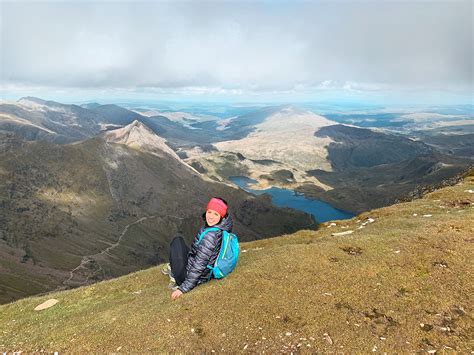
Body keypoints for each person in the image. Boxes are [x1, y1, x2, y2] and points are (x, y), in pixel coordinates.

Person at [162, 197, 233, 300]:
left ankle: (174, 276)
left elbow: (199, 265)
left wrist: (183, 288)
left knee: (177, 243)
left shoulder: (211, 236)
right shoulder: (219, 228)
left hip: (194, 276)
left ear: (221, 217)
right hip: (203, 271)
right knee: (181, 244)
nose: (211, 217)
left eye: (216, 214)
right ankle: (175, 268)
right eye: (210, 212)